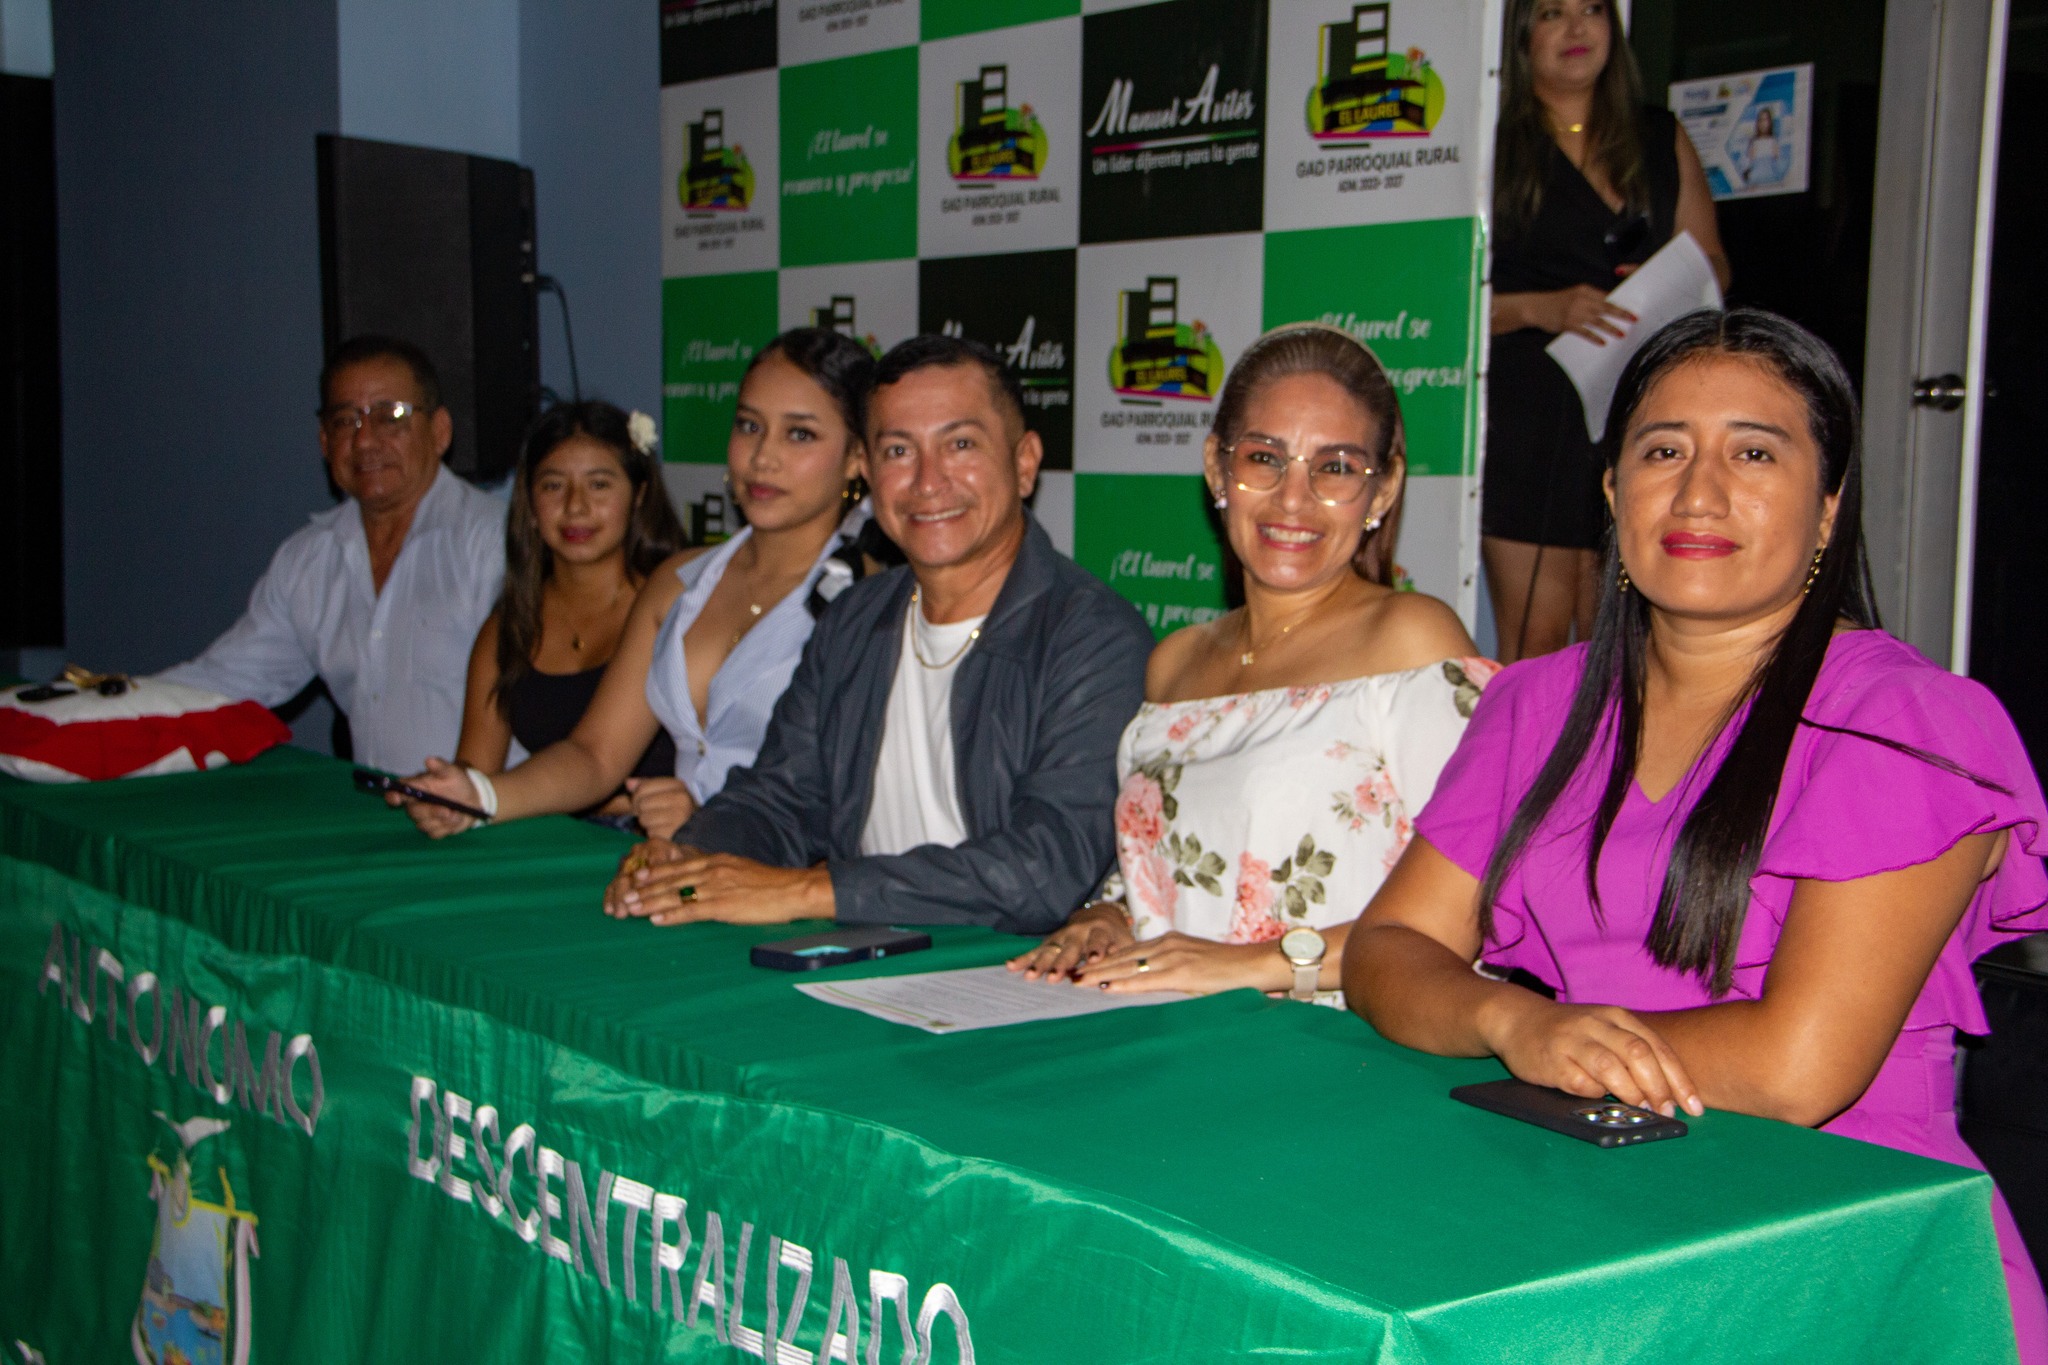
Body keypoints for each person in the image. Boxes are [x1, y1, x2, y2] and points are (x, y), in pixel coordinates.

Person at [1344, 310, 2048, 1360]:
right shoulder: (1536, 703)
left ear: (1827, 506)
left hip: (1846, 1253)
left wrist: (1561, 1048)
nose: (1699, 493)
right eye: (1662, 451)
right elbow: (1388, 948)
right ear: (1611, 492)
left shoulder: (1908, 720)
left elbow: (1797, 1065)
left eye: (1753, 453)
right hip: (1582, 1217)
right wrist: (1510, 1021)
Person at [605, 333, 1153, 932]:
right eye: (898, 451)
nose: (927, 481)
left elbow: (1044, 869)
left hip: (1014, 970)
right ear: (867, 472)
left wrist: (809, 891)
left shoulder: (1094, 638)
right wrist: (686, 858)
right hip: (862, 955)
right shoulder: (854, 620)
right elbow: (779, 798)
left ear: (1024, 463)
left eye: (960, 444)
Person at [1007, 324, 1489, 999]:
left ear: (1382, 491)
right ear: (1217, 468)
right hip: (1180, 1031)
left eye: (1336, 467)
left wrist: (1252, 964)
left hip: (1341, 1037)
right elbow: (1177, 873)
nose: (1293, 498)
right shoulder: (1176, 663)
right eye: (1265, 458)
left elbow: (1474, 901)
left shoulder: (1413, 641)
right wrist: (1109, 916)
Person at [393, 327, 880, 840]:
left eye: (799, 434)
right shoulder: (680, 582)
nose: (762, 456)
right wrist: (480, 796)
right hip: (673, 869)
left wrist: (715, 823)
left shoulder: (870, 600)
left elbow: (861, 809)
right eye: (749, 425)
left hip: (779, 875)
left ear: (857, 457)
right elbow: (595, 754)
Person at [1484, 0, 1730, 662]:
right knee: (1535, 643)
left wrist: (1665, 284)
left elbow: (1713, 261)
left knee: (1619, 642)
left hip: (1636, 403)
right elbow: (1446, 299)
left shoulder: (1658, 135)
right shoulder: (1489, 144)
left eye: (1592, 9)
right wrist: (1541, 308)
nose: (1576, 28)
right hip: (1530, 410)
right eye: (1552, 13)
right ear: (1521, 38)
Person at [156, 335, 505, 775]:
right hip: (375, 811)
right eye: (345, 421)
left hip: (499, 812)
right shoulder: (310, 560)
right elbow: (224, 683)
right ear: (324, 442)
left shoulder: (494, 541)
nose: (365, 440)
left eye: (390, 417)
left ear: (440, 432)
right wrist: (100, 704)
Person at [447, 401, 686, 818]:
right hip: (555, 842)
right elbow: (476, 774)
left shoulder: (676, 607)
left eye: (599, 485)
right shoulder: (510, 628)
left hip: (669, 839)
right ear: (530, 503)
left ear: (639, 495)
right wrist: (445, 796)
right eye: (554, 486)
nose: (575, 506)